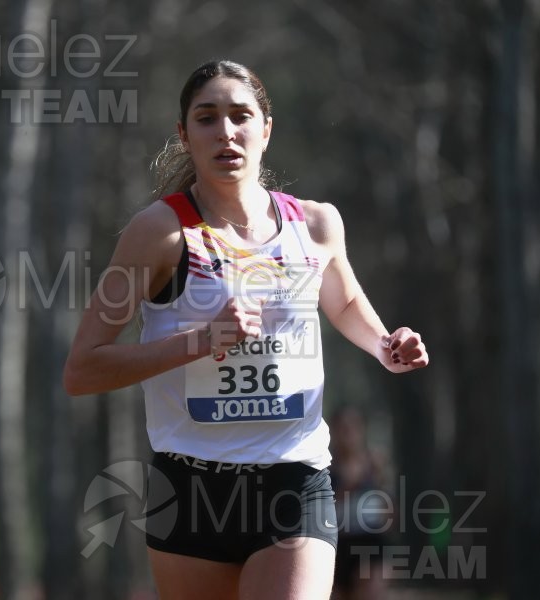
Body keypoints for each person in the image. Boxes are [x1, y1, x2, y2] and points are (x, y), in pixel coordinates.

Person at [63, 60, 429, 600]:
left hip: (294, 478)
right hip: (189, 490)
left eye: (240, 115)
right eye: (207, 118)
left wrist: (384, 344)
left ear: (266, 129)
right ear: (184, 136)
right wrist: (199, 342)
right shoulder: (159, 233)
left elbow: (345, 298)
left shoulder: (316, 224)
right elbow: (83, 370)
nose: (226, 131)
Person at [329, 406, 393, 600]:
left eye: (353, 427)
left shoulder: (375, 464)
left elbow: (388, 503)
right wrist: (351, 485)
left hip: (370, 538)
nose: (348, 433)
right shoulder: (325, 466)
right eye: (343, 428)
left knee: (370, 590)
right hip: (338, 542)